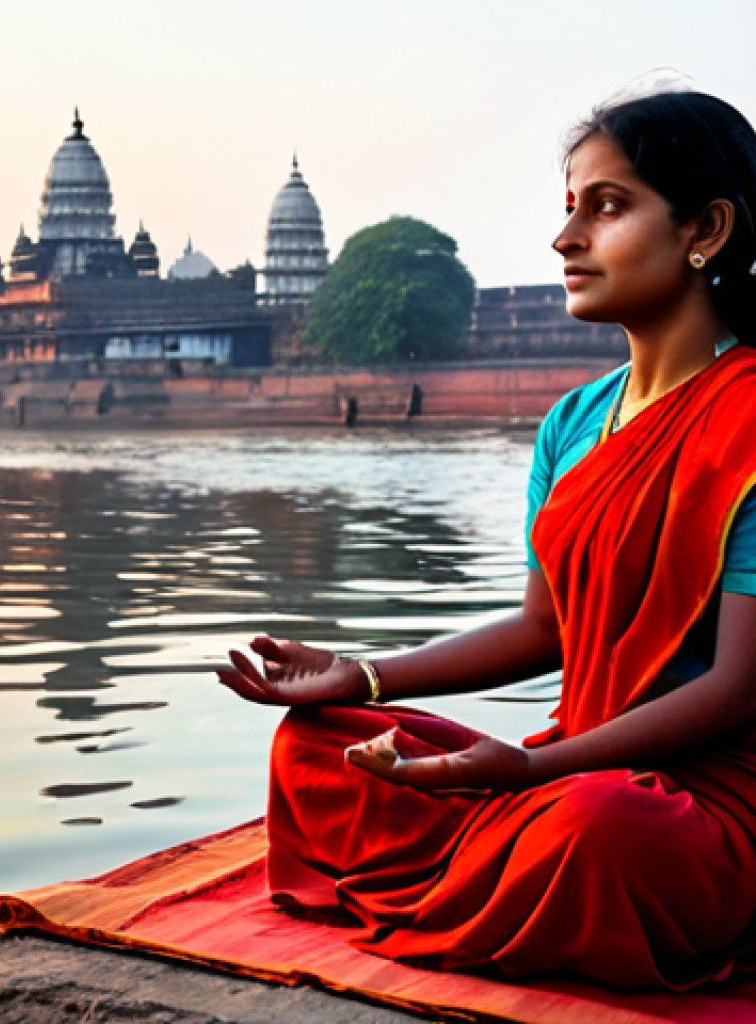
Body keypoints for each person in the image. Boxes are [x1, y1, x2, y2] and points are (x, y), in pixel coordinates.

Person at [217, 88, 756, 991]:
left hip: (700, 796)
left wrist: (531, 768)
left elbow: (742, 688)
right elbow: (541, 631)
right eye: (570, 207)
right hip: (574, 761)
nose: (566, 240)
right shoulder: (575, 423)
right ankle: (510, 847)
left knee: (602, 831)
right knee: (315, 745)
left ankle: (513, 849)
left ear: (705, 228)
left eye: (608, 207)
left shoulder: (748, 419)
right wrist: (365, 676)